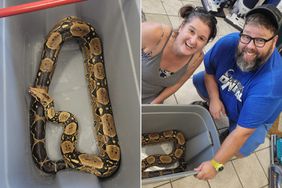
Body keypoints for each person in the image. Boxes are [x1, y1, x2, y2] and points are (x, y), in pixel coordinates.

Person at [192, 4, 282, 180]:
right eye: (247, 36)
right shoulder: (230, 42)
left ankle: (230, 131)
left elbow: (244, 132)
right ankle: (216, 108)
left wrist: (215, 164)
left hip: (252, 120)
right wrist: (214, 99)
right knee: (199, 80)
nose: (250, 46)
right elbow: (210, 72)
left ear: (273, 42)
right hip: (229, 93)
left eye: (260, 40)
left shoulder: (272, 83)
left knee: (241, 147)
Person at [142, 5, 217, 104]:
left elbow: (177, 83)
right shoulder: (158, 34)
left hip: (148, 102)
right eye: (191, 31)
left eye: (201, 38)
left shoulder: (197, 58)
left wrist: (153, 104)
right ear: (182, 27)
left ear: (206, 43)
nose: (193, 41)